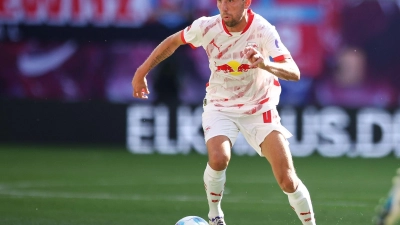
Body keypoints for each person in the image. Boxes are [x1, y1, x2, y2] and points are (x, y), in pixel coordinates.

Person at [132, 0, 316, 224]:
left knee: (287, 180)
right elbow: (173, 41)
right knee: (219, 158)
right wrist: (142, 71)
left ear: (246, 2)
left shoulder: (263, 30)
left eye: (231, 1)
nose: (224, 7)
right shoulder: (207, 27)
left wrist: (264, 64)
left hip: (259, 107)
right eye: (220, 1)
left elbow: (294, 71)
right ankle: (215, 215)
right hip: (220, 105)